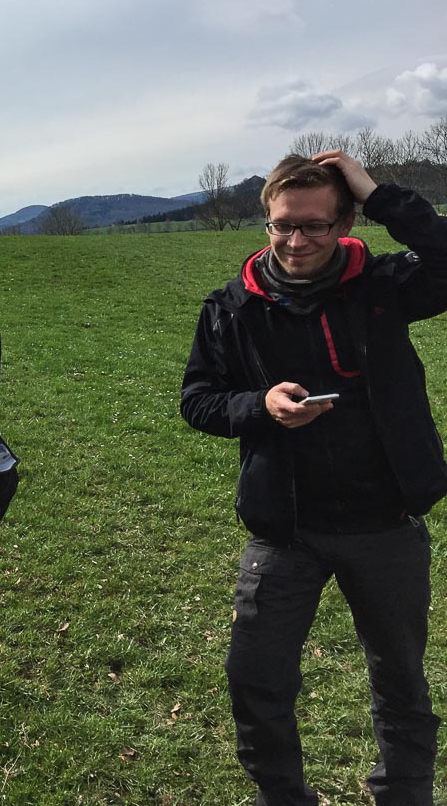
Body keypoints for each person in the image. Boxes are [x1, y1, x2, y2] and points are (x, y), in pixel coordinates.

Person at [180, 150, 445, 805]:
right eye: (282, 225)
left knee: (400, 681)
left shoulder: (382, 285)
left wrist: (377, 193)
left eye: (314, 226)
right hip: (286, 526)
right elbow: (198, 400)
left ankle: (404, 794)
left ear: (345, 223)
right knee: (255, 679)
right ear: (267, 222)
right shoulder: (233, 307)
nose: (295, 241)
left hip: (384, 523)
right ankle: (282, 797)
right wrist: (259, 406)